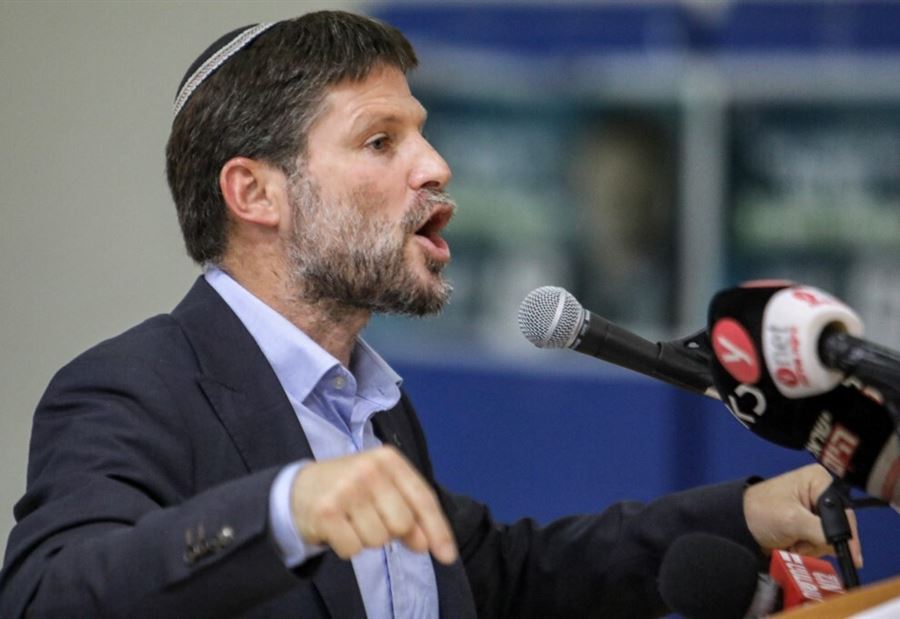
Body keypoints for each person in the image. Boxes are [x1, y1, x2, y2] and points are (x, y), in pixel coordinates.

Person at [0, 11, 861, 618]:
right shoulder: (132, 386)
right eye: (381, 141)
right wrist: (284, 508)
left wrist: (746, 515)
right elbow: (50, 595)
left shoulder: (371, 405)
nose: (436, 165)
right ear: (254, 193)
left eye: (423, 133)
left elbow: (499, 575)